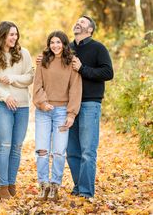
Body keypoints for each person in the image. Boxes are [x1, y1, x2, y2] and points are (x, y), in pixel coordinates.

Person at [67, 16, 114, 199]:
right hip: (70, 105)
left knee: (87, 150)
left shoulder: (98, 48)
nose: (78, 23)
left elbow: (108, 72)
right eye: (77, 21)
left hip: (89, 103)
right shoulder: (67, 49)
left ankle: (86, 191)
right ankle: (79, 186)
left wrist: (82, 68)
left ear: (90, 29)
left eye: (83, 22)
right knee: (72, 151)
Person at [33, 31, 82, 202]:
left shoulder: (72, 63)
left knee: (59, 152)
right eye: (52, 42)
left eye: (58, 42)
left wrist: (71, 114)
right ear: (49, 44)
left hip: (62, 112)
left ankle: (55, 185)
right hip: (43, 111)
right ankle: (43, 185)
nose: (55, 46)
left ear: (64, 44)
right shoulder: (42, 61)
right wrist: (43, 103)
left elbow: (75, 89)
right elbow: (37, 85)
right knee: (42, 151)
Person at [0, 21, 34, 200]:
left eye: (16, 34)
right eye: (10, 34)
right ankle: (2, 186)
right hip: (2, 105)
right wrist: (5, 96)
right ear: (2, 36)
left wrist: (13, 78)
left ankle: (11, 183)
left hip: (22, 106)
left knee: (16, 147)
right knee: (5, 146)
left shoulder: (24, 54)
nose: (14, 38)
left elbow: (30, 76)